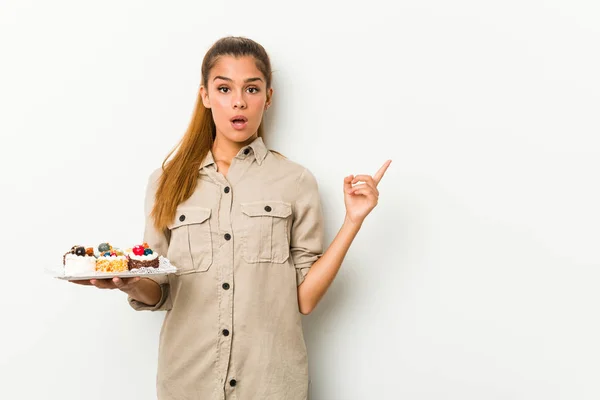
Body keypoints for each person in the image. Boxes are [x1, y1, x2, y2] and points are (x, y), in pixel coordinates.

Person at [71, 36, 390, 399]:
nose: (239, 101)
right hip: (188, 383)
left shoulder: (295, 182)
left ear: (268, 97)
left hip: (271, 384)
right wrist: (127, 281)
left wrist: (353, 221)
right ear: (205, 95)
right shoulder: (166, 182)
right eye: (224, 88)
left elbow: (304, 300)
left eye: (251, 89)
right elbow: (157, 288)